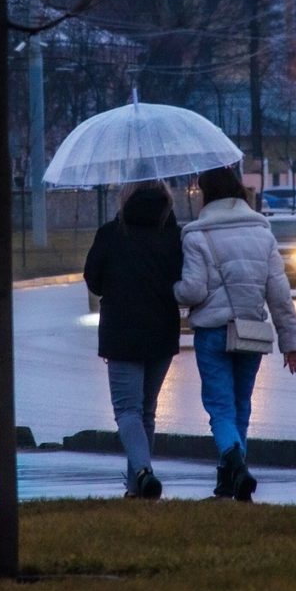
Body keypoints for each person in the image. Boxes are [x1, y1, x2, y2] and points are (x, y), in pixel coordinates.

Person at [174, 166, 296, 501]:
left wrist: (171, 289)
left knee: (219, 407)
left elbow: (191, 291)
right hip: (251, 332)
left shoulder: (196, 235)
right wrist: (291, 344)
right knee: (240, 405)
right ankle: (230, 478)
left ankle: (235, 466)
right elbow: (280, 295)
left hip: (213, 334)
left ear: (207, 195)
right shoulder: (263, 234)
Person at [84, 179, 183, 500]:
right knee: (146, 412)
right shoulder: (173, 236)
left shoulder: (112, 234)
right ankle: (135, 488)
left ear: (125, 199)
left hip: (121, 333)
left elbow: (93, 281)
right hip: (162, 332)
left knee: (127, 411)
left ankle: (142, 472)